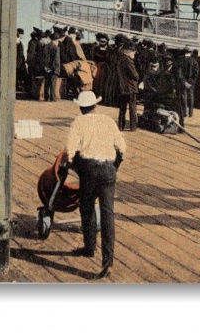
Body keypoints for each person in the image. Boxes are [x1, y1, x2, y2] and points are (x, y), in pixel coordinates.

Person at [66, 91, 126, 278]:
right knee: (108, 214)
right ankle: (108, 262)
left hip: (89, 169)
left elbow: (70, 149)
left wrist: (70, 163)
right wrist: (114, 165)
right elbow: (122, 147)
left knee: (87, 207)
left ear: (81, 108)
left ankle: (89, 247)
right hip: (108, 169)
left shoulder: (79, 122)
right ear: (95, 105)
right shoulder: (108, 120)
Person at [116, 42, 139, 131]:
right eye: (133, 52)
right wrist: (137, 77)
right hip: (131, 87)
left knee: (122, 108)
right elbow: (134, 74)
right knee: (132, 107)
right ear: (129, 51)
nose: (134, 54)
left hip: (122, 87)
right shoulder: (128, 60)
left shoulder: (120, 59)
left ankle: (121, 126)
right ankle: (133, 127)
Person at [177, 46, 198, 118]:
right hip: (191, 82)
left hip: (183, 81)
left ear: (184, 51)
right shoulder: (194, 60)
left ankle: (184, 112)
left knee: (183, 96)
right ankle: (191, 113)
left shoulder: (180, 59)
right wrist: (191, 82)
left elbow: (179, 72)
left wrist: (184, 82)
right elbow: (196, 73)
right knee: (191, 96)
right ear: (191, 52)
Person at [44, 30, 62, 102]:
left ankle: (46, 97)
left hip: (47, 68)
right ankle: (52, 98)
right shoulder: (56, 48)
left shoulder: (46, 46)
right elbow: (56, 59)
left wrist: (46, 67)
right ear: (56, 40)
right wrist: (56, 69)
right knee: (53, 83)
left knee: (47, 82)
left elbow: (44, 58)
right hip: (54, 68)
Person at [16, 28, 28, 92]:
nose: (23, 35)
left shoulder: (19, 41)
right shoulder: (17, 41)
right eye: (22, 34)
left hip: (20, 62)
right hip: (19, 62)